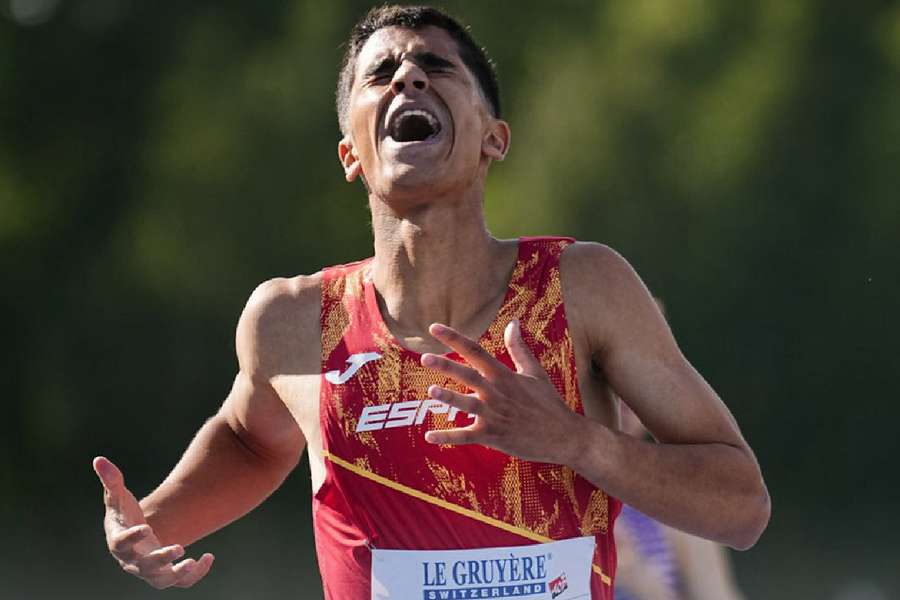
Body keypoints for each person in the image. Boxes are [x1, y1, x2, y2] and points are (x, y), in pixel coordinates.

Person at [93, 6, 770, 599]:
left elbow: (742, 507)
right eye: (379, 73)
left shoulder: (581, 287)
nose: (407, 79)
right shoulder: (293, 322)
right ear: (351, 154)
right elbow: (250, 442)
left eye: (436, 68)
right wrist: (149, 524)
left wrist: (578, 442)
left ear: (493, 138)